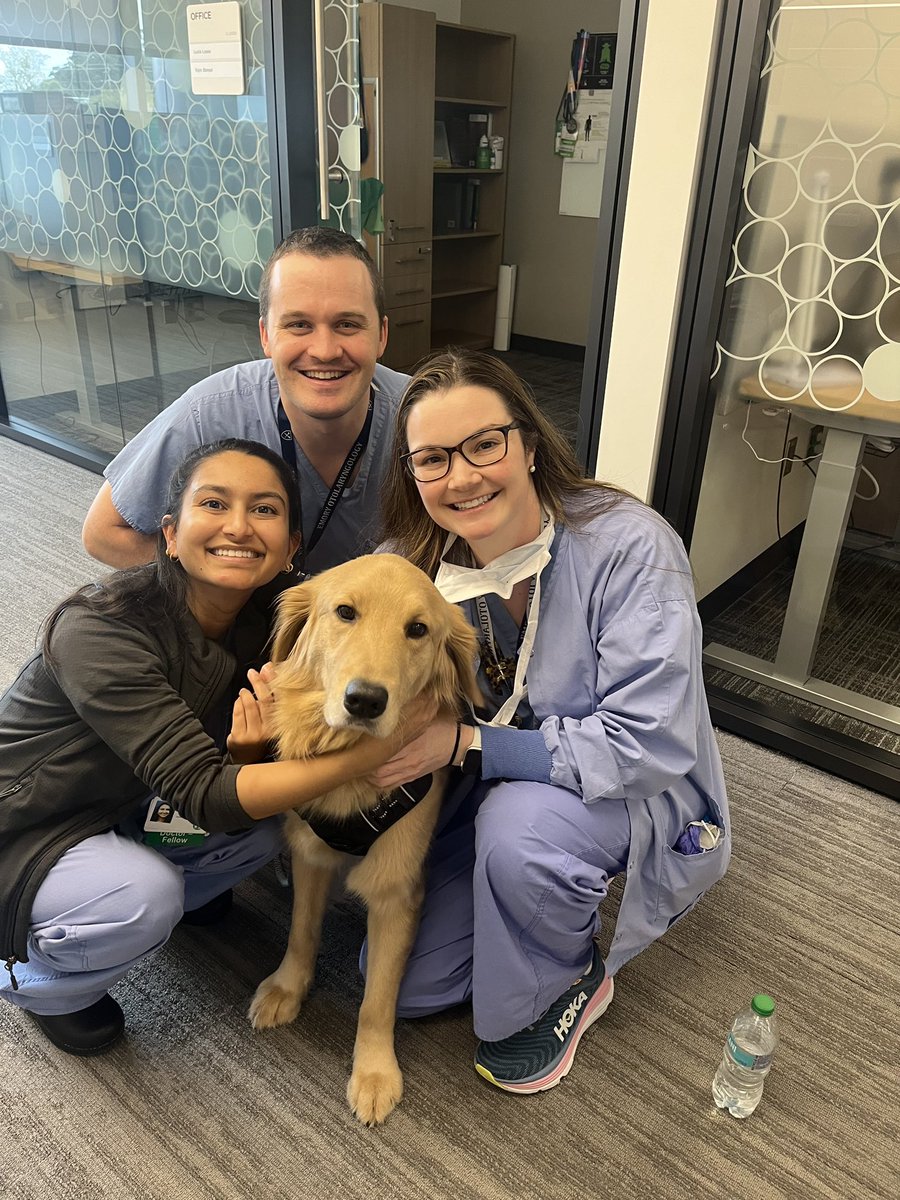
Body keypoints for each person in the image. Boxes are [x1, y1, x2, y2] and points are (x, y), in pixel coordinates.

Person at [372, 349, 731, 1094]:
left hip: (625, 786)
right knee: (404, 986)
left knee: (520, 833)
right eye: (432, 459)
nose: (462, 477)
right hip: (477, 781)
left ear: (529, 445)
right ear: (412, 475)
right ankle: (517, 895)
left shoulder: (631, 548)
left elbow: (649, 744)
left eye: (484, 444)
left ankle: (566, 982)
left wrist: (470, 743)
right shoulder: (415, 561)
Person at [0, 439, 432, 1057]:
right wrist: (379, 748)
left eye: (264, 509)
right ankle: (40, 984)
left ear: (291, 549)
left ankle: (161, 892)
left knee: (266, 828)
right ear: (170, 535)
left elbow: (375, 613)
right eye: (214, 504)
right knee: (144, 898)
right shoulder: (96, 627)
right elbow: (206, 791)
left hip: (136, 798)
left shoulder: (279, 617)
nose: (237, 526)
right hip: (30, 823)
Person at [81, 226, 410, 576]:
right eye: (298, 325)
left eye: (347, 324)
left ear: (382, 335)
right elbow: (103, 533)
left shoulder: (419, 415)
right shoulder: (209, 414)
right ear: (266, 336)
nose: (325, 351)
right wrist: (225, 579)